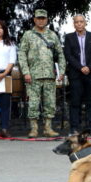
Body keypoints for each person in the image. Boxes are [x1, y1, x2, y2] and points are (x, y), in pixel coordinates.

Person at [18, 9, 66, 138]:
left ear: (47, 20)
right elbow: (22, 54)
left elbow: (60, 54)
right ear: (34, 19)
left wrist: (61, 71)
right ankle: (34, 129)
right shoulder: (28, 35)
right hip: (33, 75)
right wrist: (26, 72)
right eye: (38, 18)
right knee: (33, 102)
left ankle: (48, 128)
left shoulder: (52, 35)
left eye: (43, 18)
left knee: (50, 102)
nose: (41, 20)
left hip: (49, 75)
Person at [64, 14, 91, 136]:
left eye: (81, 21)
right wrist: (80, 67)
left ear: (85, 23)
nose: (79, 24)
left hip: (90, 73)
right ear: (73, 24)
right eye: (76, 22)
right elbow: (68, 55)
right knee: (75, 102)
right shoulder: (69, 37)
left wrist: (88, 67)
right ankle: (74, 128)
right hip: (76, 74)